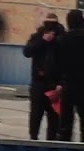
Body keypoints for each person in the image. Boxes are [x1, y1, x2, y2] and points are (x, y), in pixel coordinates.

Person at [23, 12, 65, 140]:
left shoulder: (62, 39)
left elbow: (67, 62)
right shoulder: (37, 36)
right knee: (36, 114)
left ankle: (52, 141)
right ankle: (33, 137)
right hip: (39, 82)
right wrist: (43, 40)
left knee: (54, 117)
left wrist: (61, 83)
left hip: (55, 84)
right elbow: (27, 52)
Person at [56, 9, 84, 141]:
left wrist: (58, 82)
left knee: (66, 122)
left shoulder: (62, 40)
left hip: (68, 84)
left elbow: (57, 63)